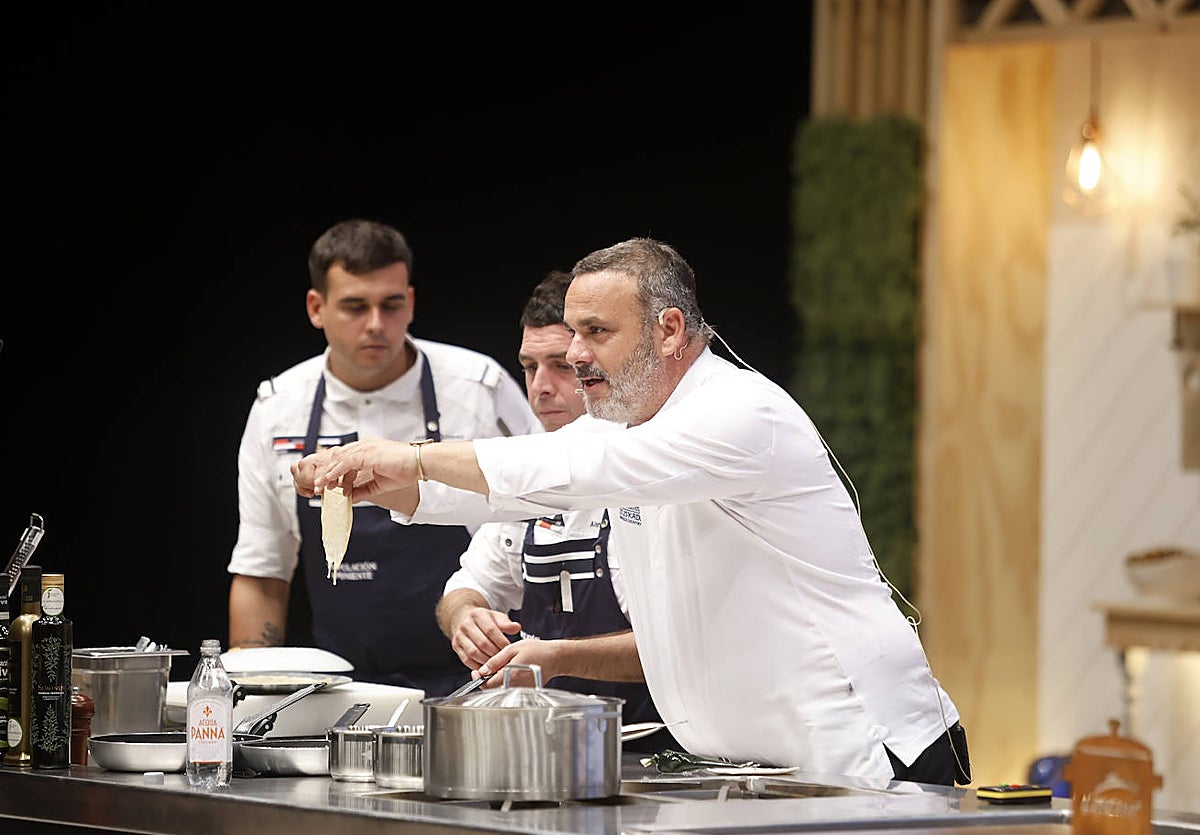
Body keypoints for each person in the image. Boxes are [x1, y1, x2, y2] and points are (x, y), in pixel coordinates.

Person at [292, 237, 969, 785]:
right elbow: (516, 487)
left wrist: (406, 455)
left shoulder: (738, 412)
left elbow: (571, 472)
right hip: (754, 769)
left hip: (868, 757)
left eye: (593, 332)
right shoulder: (625, 422)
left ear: (669, 330)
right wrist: (369, 480)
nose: (577, 354)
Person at [227, 218, 541, 697]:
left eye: (391, 305)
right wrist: (244, 699)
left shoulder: (479, 389)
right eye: (355, 307)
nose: (376, 324)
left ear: (410, 302)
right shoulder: (277, 408)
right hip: (337, 688)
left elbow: (540, 520)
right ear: (317, 308)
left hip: (478, 677)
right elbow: (263, 566)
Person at [430, 270, 679, 751]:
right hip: (549, 754)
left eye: (561, 366)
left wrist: (559, 657)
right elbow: (466, 587)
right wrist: (467, 619)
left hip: (665, 754)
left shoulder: (655, 470)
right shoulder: (526, 472)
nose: (540, 387)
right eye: (529, 367)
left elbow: (681, 644)